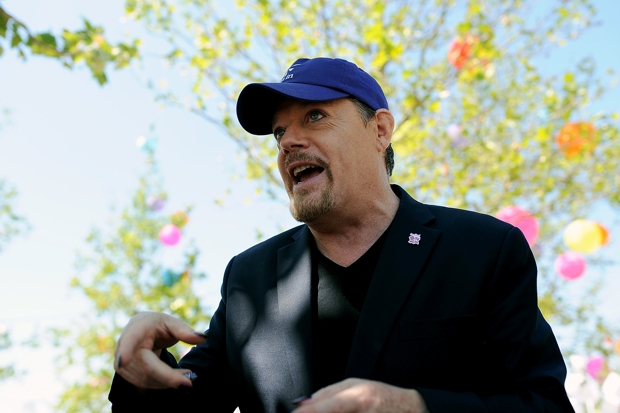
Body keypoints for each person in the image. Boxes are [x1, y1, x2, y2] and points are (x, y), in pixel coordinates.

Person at [109, 57, 574, 412]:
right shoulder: (249, 277)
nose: (288, 142)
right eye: (279, 132)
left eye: (314, 116)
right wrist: (143, 368)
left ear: (380, 130)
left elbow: (544, 405)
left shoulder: (482, 249)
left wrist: (412, 406)